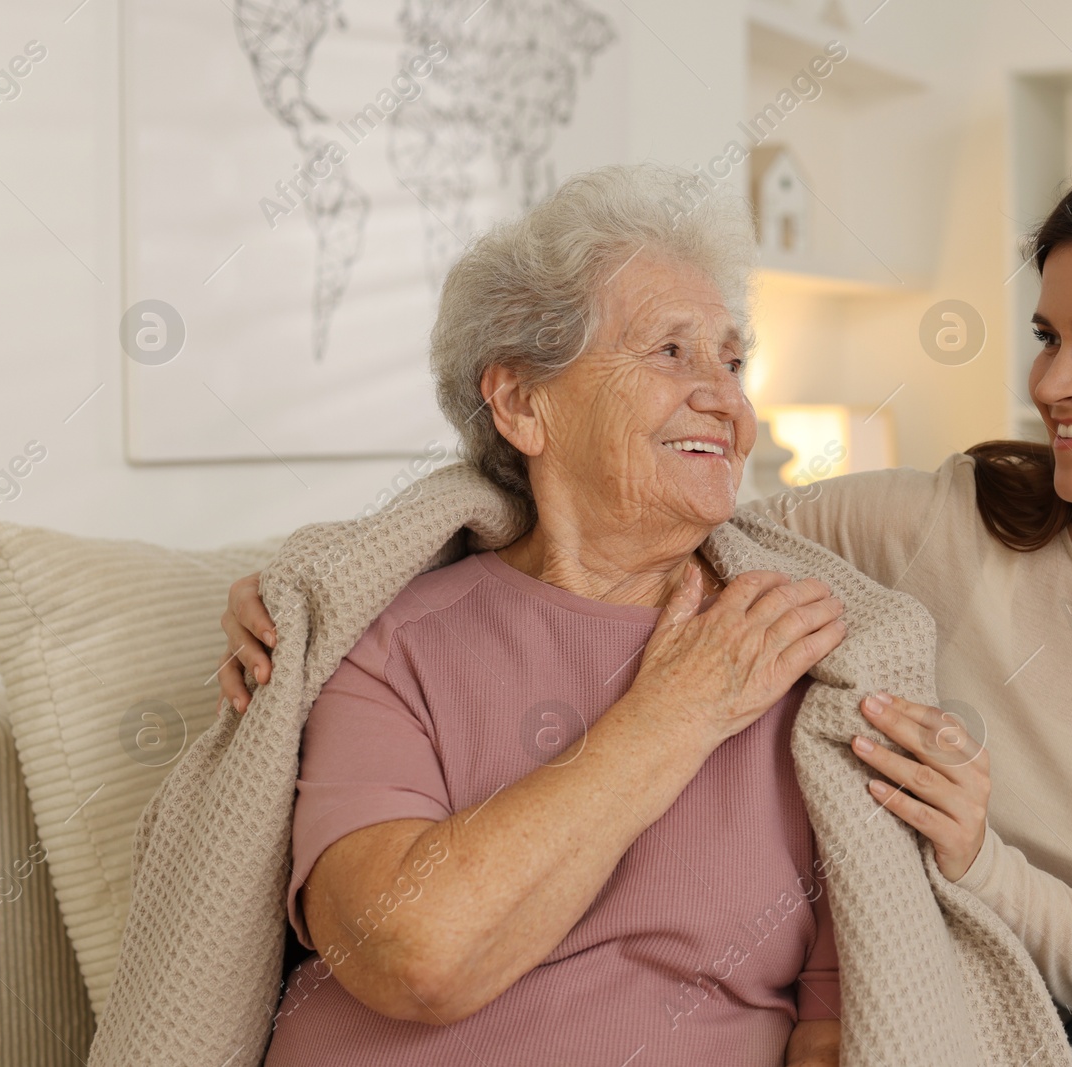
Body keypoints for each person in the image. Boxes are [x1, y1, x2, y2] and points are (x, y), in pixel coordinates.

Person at [226, 153, 1072, 1065]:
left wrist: (974, 859)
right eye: (1046, 337)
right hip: (912, 935)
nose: (1049, 383)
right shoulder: (933, 526)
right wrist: (336, 574)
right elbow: (655, 499)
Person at [246, 163, 904, 1067]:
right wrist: (674, 713)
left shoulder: (803, 648)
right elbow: (412, 955)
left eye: (734, 358)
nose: (725, 398)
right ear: (521, 402)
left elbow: (838, 1025)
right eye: (670, 351)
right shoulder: (390, 640)